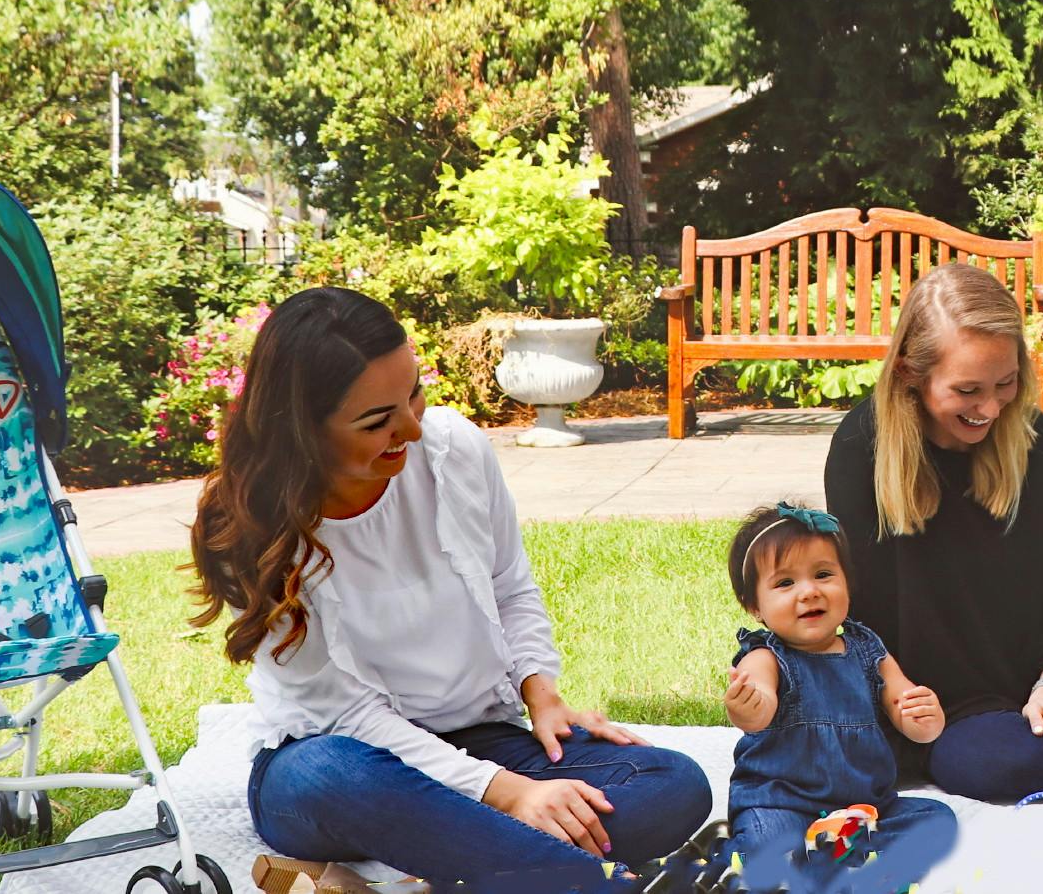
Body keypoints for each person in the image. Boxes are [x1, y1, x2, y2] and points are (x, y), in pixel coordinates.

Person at [189, 287, 712, 893]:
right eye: (376, 419)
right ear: (304, 430)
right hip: (341, 763)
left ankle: (455, 870)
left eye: (413, 392)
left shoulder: (452, 449)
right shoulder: (253, 531)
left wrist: (541, 695)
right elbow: (346, 716)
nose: (411, 427)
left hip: (481, 737)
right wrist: (510, 795)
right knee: (325, 777)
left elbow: (510, 586)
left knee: (672, 785)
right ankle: (575, 880)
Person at [823, 262, 1043, 804]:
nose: (991, 408)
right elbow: (861, 618)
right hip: (945, 695)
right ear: (908, 373)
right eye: (967, 389)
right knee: (1040, 768)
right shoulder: (862, 451)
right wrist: (904, 706)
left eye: (1006, 382)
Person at [722, 502, 958, 894]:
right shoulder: (766, 657)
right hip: (783, 804)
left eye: (823, 574)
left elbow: (907, 712)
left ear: (847, 582)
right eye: (785, 583)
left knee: (936, 818)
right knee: (766, 838)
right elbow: (757, 709)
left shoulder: (869, 650)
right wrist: (750, 706)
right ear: (754, 606)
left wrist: (925, 718)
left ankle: (843, 859)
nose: (809, 591)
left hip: (863, 808)